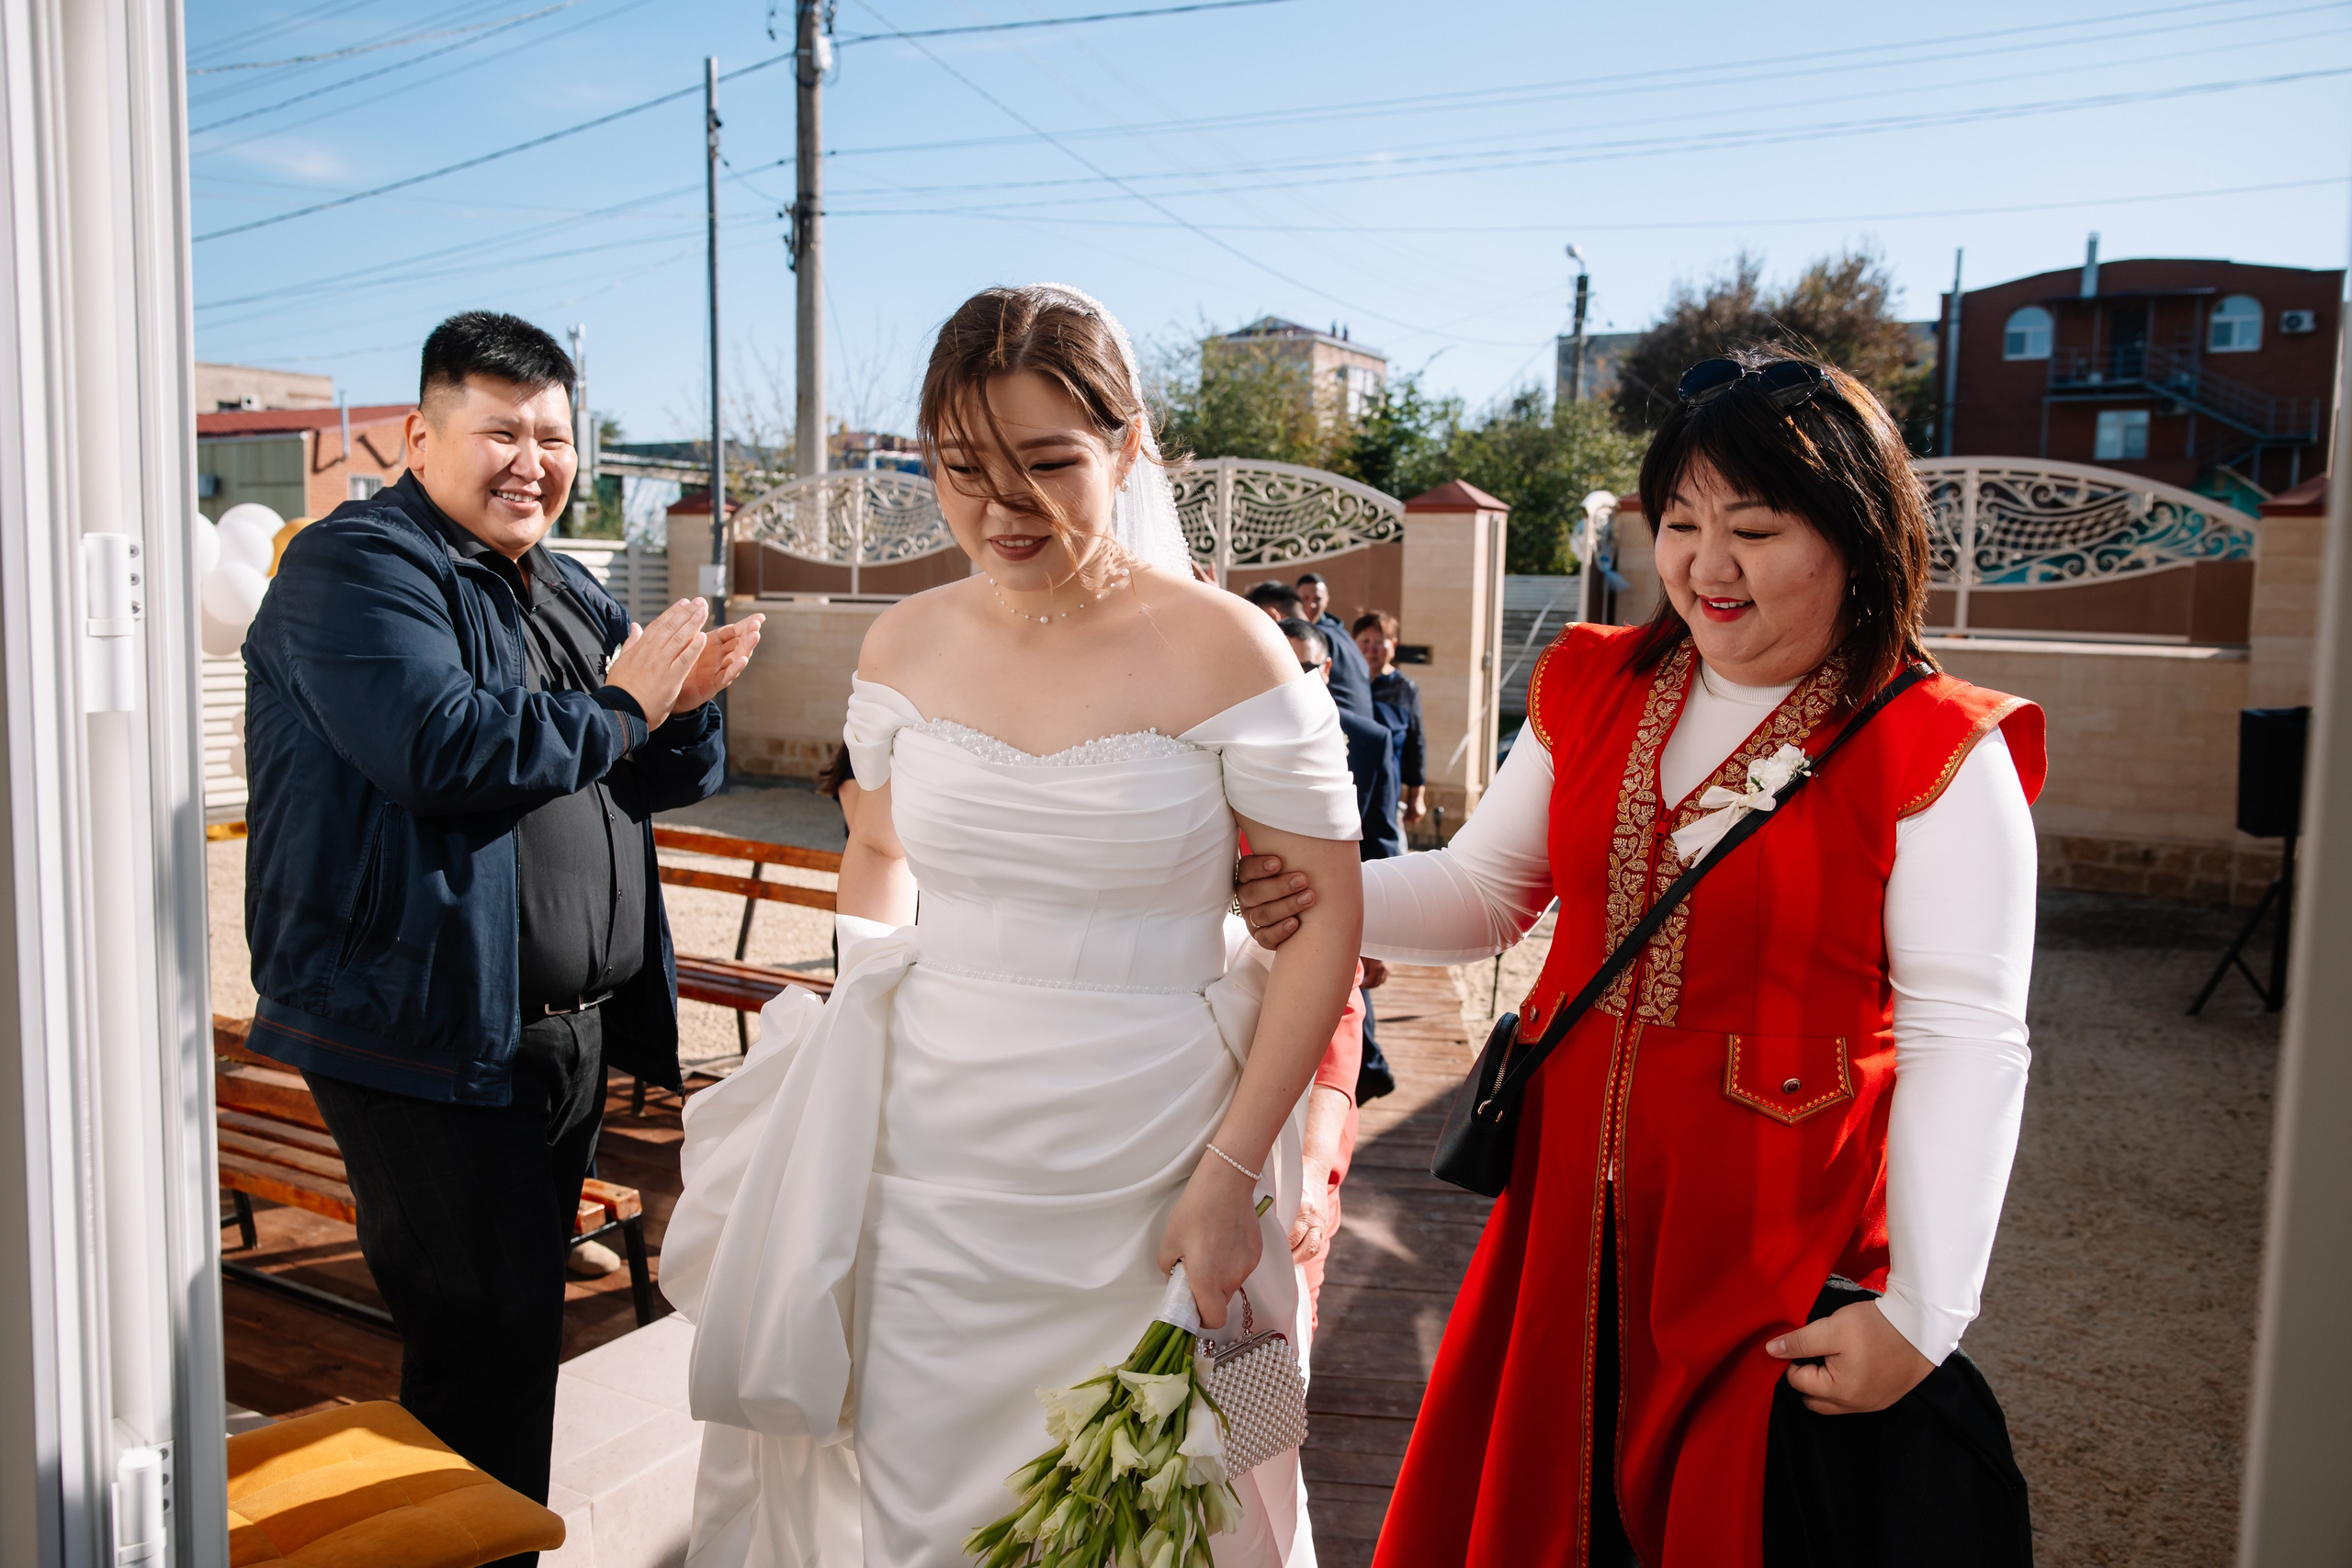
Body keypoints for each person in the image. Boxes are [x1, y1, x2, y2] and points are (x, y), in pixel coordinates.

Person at [1238, 353, 2045, 1565]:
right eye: (1680, 522)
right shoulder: (1594, 680)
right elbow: (1485, 890)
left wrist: (1928, 1310)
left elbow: (1966, 1035)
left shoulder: (1937, 747)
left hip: (1776, 1250)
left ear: (1856, 534)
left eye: (1756, 529)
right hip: (1566, 1227)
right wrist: (1316, 897)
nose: (1705, 566)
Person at [662, 284, 1363, 1567]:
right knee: (911, 1485)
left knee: (1174, 1497)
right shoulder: (906, 642)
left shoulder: (1234, 649)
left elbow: (1325, 925)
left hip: (1162, 1141)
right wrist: (858, 1027)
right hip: (928, 1143)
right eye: (962, 469)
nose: (1002, 509)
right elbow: (876, 848)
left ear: (1129, 448)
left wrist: (1229, 1173)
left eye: (1049, 464)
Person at [241, 310, 764, 1546]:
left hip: (554, 1033)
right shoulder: (356, 566)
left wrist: (677, 707)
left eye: (552, 434)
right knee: (479, 1343)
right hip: (421, 1028)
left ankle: (481, 1535)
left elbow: (645, 772)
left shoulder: (566, 581)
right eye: (499, 430)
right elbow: (440, 747)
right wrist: (627, 701)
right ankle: (467, 1544)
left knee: (515, 1327)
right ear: (421, 436)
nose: (531, 458)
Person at [1285, 616, 1401, 1103]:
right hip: (1259, 915)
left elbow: (1382, 839)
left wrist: (1379, 934)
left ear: (1327, 669)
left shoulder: (1369, 740)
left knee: (1344, 1038)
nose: (1292, 682)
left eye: (1306, 668)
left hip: (1341, 916)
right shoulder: (1238, 737)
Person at [1352, 610, 1428, 827]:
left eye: (1379, 641)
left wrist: (1416, 797)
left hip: (1387, 788)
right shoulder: (1345, 683)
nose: (1371, 648)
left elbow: (1416, 745)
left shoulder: (1405, 689)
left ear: (1393, 646)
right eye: (1365, 640)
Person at [1295, 570, 1375, 722]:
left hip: (1345, 727)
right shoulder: (1342, 634)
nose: (1311, 604)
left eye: (1317, 599)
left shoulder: (1316, 639)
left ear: (1327, 601)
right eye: (1305, 598)